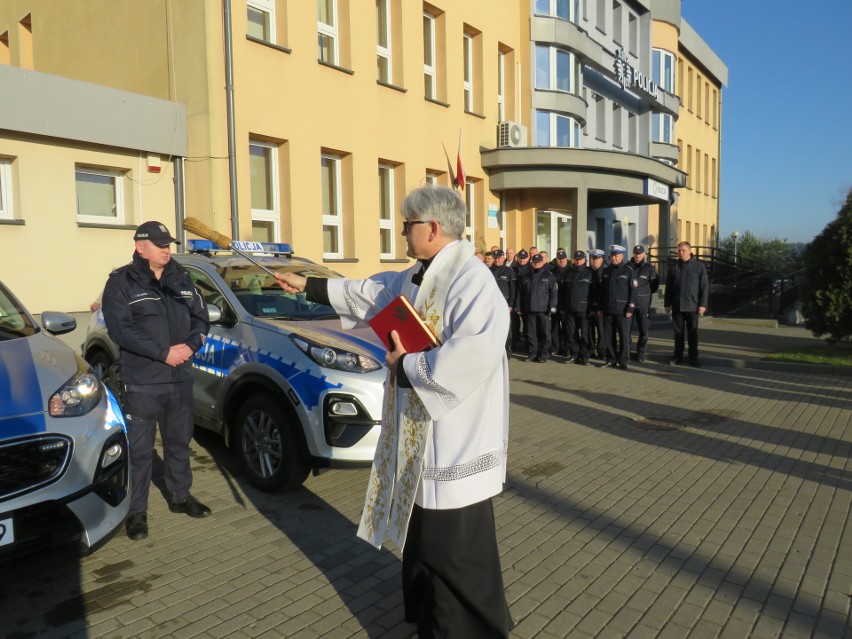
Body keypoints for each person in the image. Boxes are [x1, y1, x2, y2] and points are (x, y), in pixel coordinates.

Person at [274, 185, 513, 638]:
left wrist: (407, 366)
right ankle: (430, 625)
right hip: (418, 441)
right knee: (423, 547)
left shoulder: (473, 280)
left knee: (455, 556)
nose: (402, 231)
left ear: (433, 228)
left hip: (452, 443)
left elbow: (476, 354)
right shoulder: (418, 274)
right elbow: (371, 293)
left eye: (407, 224)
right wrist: (309, 285)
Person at [101, 221, 211, 541]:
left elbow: (201, 319)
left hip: (180, 378)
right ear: (140, 246)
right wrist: (163, 353)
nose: (167, 250)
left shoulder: (183, 279)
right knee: (140, 450)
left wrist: (190, 346)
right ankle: (136, 512)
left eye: (169, 244)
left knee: (179, 443)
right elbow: (120, 330)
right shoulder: (121, 282)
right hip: (144, 381)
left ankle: (180, 497)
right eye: (160, 244)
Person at [664, 241, 709, 366]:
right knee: (678, 334)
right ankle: (678, 356)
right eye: (679, 251)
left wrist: (703, 304)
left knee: (692, 333)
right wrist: (667, 304)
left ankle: (693, 357)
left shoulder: (699, 266)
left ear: (690, 251)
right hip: (677, 305)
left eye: (683, 250)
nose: (681, 253)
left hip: (692, 306)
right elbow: (669, 287)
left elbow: (704, 287)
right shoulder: (674, 267)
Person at [515, 253, 558, 363]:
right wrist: (518, 307)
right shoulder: (525, 276)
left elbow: (553, 293)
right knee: (530, 333)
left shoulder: (548, 276)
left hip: (543, 310)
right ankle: (533, 353)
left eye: (539, 262)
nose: (537, 264)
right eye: (535, 262)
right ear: (532, 262)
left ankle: (543, 354)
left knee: (545, 334)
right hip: (529, 309)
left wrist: (552, 306)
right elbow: (519, 293)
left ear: (542, 262)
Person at [597, 245, 634, 369]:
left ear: (622, 256)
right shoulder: (606, 271)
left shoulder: (628, 271)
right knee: (609, 336)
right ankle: (611, 359)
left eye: (616, 256)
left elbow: (633, 291)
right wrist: (601, 307)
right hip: (608, 309)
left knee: (624, 336)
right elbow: (602, 291)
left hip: (622, 310)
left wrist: (630, 308)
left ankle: (623, 361)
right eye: (612, 255)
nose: (614, 258)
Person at [557, 250, 594, 364]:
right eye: (576, 259)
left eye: (580, 259)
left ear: (584, 260)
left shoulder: (590, 273)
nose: (578, 261)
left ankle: (584, 356)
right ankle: (574, 354)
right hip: (570, 309)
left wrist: (592, 308)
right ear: (573, 260)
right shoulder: (568, 273)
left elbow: (594, 292)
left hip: (584, 310)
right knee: (571, 334)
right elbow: (562, 292)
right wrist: (562, 307)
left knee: (584, 334)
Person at [628, 245, 659, 362]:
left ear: (644, 254)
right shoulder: (627, 267)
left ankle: (641, 353)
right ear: (633, 253)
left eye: (640, 253)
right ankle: (627, 352)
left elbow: (654, 286)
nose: (637, 255)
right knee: (627, 331)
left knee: (643, 330)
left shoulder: (649, 268)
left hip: (643, 304)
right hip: (629, 304)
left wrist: (644, 294)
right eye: (636, 253)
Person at [491, 249, 516, 355]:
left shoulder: (509, 271)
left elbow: (513, 289)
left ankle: (507, 350)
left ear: (503, 258)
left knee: (506, 329)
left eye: (498, 258)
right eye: (495, 258)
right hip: (491, 305)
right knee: (492, 328)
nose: (497, 260)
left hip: (505, 305)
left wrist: (511, 304)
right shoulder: (488, 270)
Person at [587, 248, 607, 359]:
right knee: (589, 331)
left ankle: (602, 352)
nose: (594, 261)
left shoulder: (605, 272)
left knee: (601, 332)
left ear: (602, 259)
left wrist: (602, 307)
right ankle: (591, 351)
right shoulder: (587, 272)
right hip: (589, 306)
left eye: (597, 258)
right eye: (593, 258)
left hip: (600, 308)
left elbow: (606, 293)